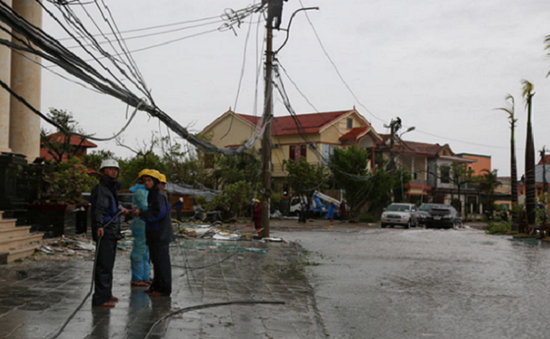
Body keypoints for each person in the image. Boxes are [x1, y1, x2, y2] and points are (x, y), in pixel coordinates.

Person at [91, 159, 128, 307]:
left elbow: (112, 207)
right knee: (103, 265)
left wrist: (121, 209)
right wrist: (99, 225)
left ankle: (106, 292)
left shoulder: (110, 188)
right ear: (102, 171)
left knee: (109, 264)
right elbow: (99, 208)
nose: (113, 171)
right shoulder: (101, 188)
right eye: (110, 169)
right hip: (105, 230)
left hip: (112, 230)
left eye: (115, 169)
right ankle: (101, 297)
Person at [134, 170, 175, 297]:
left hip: (160, 235)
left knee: (162, 263)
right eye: (145, 180)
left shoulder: (159, 195)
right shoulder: (152, 195)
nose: (146, 183)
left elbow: (158, 214)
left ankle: (164, 290)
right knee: (156, 262)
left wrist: (141, 214)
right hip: (154, 234)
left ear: (155, 182)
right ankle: (156, 286)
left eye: (149, 180)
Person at [129, 175, 150, 287]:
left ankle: (145, 276)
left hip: (146, 224)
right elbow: (144, 206)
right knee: (139, 251)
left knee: (146, 251)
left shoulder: (146, 191)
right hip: (141, 224)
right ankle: (137, 278)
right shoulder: (141, 192)